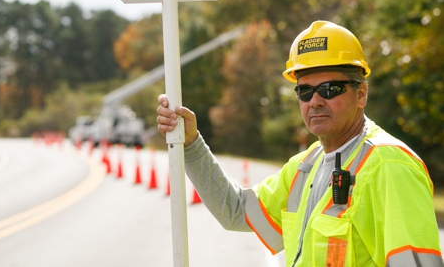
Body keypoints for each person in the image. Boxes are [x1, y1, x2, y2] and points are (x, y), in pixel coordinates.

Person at [157, 20, 443, 266]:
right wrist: (192, 143)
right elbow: (234, 211)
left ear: (361, 95)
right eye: (305, 91)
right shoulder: (307, 166)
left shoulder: (391, 168)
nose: (315, 101)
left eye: (329, 89)